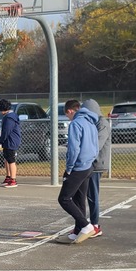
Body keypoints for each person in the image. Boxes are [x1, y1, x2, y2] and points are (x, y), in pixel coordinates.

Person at [56, 99, 99, 244]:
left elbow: (74, 149)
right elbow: (94, 143)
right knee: (79, 199)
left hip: (79, 166)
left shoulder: (75, 123)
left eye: (67, 115)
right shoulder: (91, 122)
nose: (68, 118)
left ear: (70, 111)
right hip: (89, 165)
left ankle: (86, 226)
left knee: (64, 198)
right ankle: (78, 230)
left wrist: (69, 168)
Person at [82, 98, 111, 236]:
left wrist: (85, 150)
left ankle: (95, 225)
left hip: (97, 164)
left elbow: (98, 144)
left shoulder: (102, 123)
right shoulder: (91, 122)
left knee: (92, 195)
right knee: (85, 194)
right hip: (89, 163)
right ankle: (84, 224)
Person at [0, 99, 22, 188]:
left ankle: (13, 180)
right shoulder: (9, 116)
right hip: (8, 141)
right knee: (6, 159)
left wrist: (0, 140)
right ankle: (8, 177)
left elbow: (6, 131)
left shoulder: (9, 117)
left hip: (11, 141)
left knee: (11, 160)